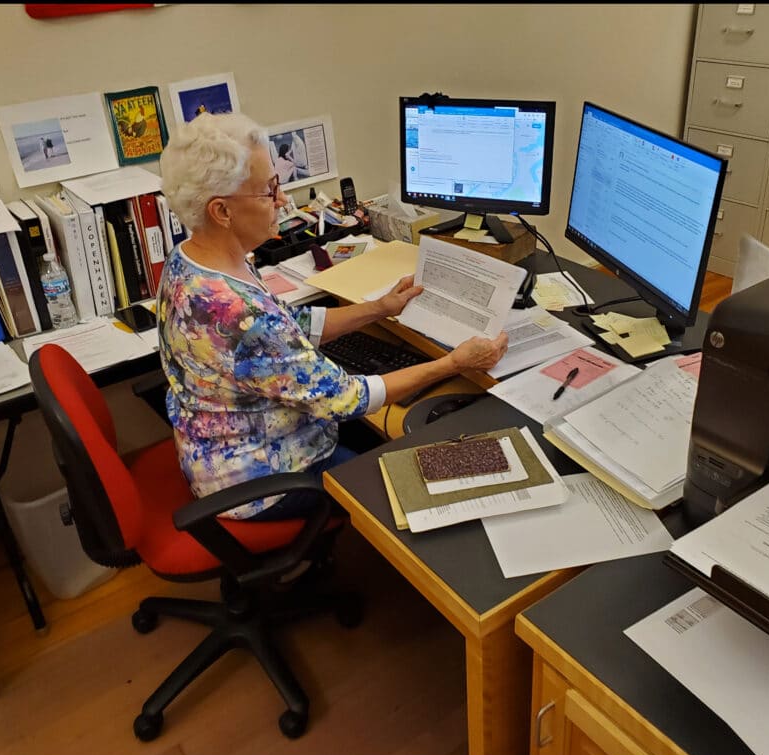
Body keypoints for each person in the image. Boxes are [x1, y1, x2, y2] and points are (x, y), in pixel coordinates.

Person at [158, 112, 508, 521]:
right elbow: (348, 398)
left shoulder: (193, 260)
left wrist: (379, 308)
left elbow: (287, 325)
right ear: (222, 211)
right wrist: (454, 363)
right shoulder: (238, 312)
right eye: (269, 189)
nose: (284, 200)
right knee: (418, 478)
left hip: (213, 451)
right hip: (262, 483)